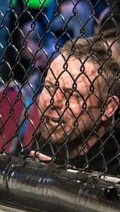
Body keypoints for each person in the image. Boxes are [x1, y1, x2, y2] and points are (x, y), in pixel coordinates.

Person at [29, 37, 120, 175]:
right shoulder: (45, 140)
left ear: (108, 108)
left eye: (71, 94)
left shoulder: (114, 164)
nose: (53, 102)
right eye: (49, 87)